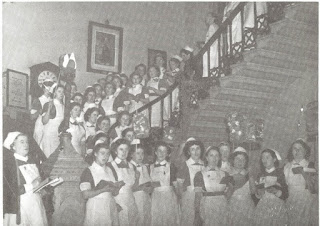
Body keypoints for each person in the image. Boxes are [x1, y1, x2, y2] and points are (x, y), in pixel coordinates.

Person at [3, 132, 48, 226]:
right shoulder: (8, 165)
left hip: (36, 205)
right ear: (13, 146)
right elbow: (12, 190)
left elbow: (39, 181)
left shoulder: (32, 161)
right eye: (22, 142)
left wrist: (42, 188)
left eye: (27, 142)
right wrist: (33, 185)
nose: (26, 144)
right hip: (21, 207)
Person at [80, 143, 120, 226]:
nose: (105, 156)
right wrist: (103, 190)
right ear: (95, 153)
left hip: (110, 206)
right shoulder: (88, 171)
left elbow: (114, 193)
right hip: (96, 207)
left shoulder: (109, 170)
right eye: (102, 153)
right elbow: (85, 194)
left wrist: (116, 188)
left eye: (108, 154)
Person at [194, 146, 233, 226]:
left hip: (222, 205)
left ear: (219, 158)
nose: (214, 158)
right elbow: (198, 196)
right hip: (207, 205)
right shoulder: (200, 174)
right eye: (211, 155)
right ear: (207, 157)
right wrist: (197, 213)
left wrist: (225, 200)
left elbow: (229, 192)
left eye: (216, 155)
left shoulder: (225, 174)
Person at [284, 139, 318, 226]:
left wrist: (303, 173)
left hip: (306, 202)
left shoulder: (310, 165)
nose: (297, 151)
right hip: (291, 202)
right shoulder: (286, 167)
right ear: (291, 151)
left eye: (300, 148)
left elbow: (313, 189)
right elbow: (285, 188)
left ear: (305, 151)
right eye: (294, 148)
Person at [107, 138, 140, 226]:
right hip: (117, 202)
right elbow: (107, 189)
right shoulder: (110, 166)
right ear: (115, 151)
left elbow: (134, 188)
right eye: (121, 149)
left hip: (131, 202)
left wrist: (137, 178)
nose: (124, 152)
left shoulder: (132, 166)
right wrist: (114, 204)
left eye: (126, 149)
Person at [253, 149, 288, 226]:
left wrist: (276, 191)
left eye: (267, 157)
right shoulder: (260, 174)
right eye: (262, 158)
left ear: (274, 159)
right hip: (263, 206)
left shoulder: (280, 173)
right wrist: (258, 193)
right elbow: (256, 194)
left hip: (276, 206)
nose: (264, 160)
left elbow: (286, 194)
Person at [150, 141, 180, 226]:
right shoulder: (150, 167)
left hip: (169, 197)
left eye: (164, 151)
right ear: (155, 152)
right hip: (155, 198)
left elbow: (175, 184)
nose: (161, 153)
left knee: (169, 219)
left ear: (167, 153)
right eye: (159, 150)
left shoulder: (171, 166)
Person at [176, 139, 205, 226]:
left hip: (203, 197)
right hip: (189, 197)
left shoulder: (205, 164)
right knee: (189, 220)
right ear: (188, 152)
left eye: (198, 149)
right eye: (192, 149)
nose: (196, 152)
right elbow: (179, 186)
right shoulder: (185, 165)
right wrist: (181, 200)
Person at [228, 147, 255, 226]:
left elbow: (253, 191)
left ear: (246, 162)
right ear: (233, 160)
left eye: (243, 159)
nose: (240, 162)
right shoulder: (228, 174)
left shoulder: (248, 175)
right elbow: (226, 196)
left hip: (247, 208)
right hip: (233, 207)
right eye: (237, 159)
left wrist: (250, 176)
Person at [130, 142, 153, 226]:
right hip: (134, 198)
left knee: (146, 219)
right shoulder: (129, 166)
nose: (141, 156)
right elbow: (129, 188)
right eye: (138, 153)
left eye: (142, 153)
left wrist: (150, 188)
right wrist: (142, 187)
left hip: (145, 198)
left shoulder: (144, 166)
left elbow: (148, 182)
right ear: (131, 154)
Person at [40, 85, 65, 158]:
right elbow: (44, 121)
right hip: (48, 135)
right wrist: (48, 109)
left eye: (63, 92)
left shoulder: (64, 106)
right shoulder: (49, 104)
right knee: (48, 157)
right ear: (54, 93)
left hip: (57, 136)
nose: (61, 94)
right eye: (59, 91)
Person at [31, 78, 54, 146]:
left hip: (50, 126)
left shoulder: (53, 101)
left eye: (51, 88)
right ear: (43, 89)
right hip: (40, 126)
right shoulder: (38, 100)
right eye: (47, 88)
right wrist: (39, 111)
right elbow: (32, 117)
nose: (49, 90)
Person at [203, 13, 220, 78]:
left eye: (208, 16)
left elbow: (211, 40)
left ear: (213, 18)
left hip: (212, 51)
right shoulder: (215, 26)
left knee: (210, 66)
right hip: (213, 50)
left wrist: (204, 46)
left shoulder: (212, 26)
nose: (206, 18)